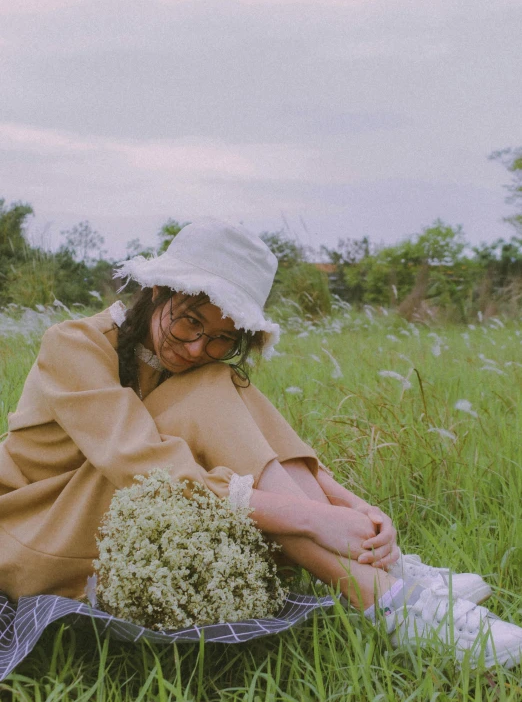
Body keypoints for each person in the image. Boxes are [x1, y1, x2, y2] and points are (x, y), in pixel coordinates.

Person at [0, 218, 520, 669]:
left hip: (118, 512)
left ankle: (384, 570)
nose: (197, 347)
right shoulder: (73, 344)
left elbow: (255, 437)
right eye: (189, 322)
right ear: (156, 292)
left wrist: (353, 505)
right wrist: (313, 518)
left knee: (218, 385)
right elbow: (145, 468)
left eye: (222, 338)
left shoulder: (193, 368)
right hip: (39, 528)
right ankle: (386, 597)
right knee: (209, 399)